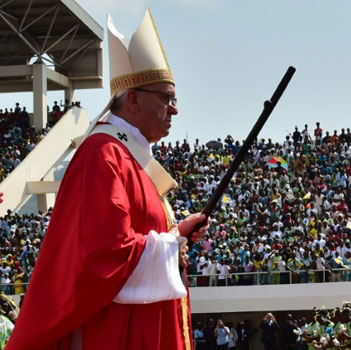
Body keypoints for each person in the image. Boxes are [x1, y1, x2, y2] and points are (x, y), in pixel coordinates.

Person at [6, 10, 209, 349]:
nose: (174, 109)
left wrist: (177, 235)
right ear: (132, 99)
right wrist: (170, 247)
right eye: (166, 98)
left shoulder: (132, 158)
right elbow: (106, 254)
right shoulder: (104, 154)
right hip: (116, 334)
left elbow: (138, 240)